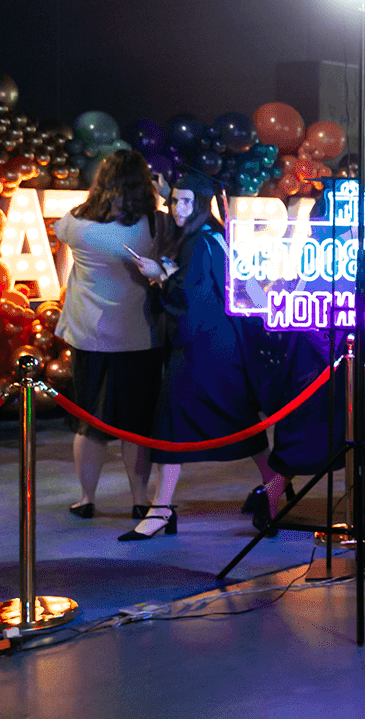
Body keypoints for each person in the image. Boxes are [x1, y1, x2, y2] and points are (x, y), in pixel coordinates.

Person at [124, 172, 281, 541]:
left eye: (185, 202)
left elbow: (190, 299)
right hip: (219, 345)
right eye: (174, 201)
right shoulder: (212, 236)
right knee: (234, 421)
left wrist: (159, 276)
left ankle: (163, 509)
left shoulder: (200, 242)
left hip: (203, 347)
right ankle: (274, 489)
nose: (178, 209)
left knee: (177, 421)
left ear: (201, 203)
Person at [55, 149, 166, 520]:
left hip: (88, 334)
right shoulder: (153, 224)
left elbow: (61, 232)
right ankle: (139, 498)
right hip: (139, 335)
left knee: (90, 421)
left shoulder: (74, 223)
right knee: (138, 423)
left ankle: (86, 498)